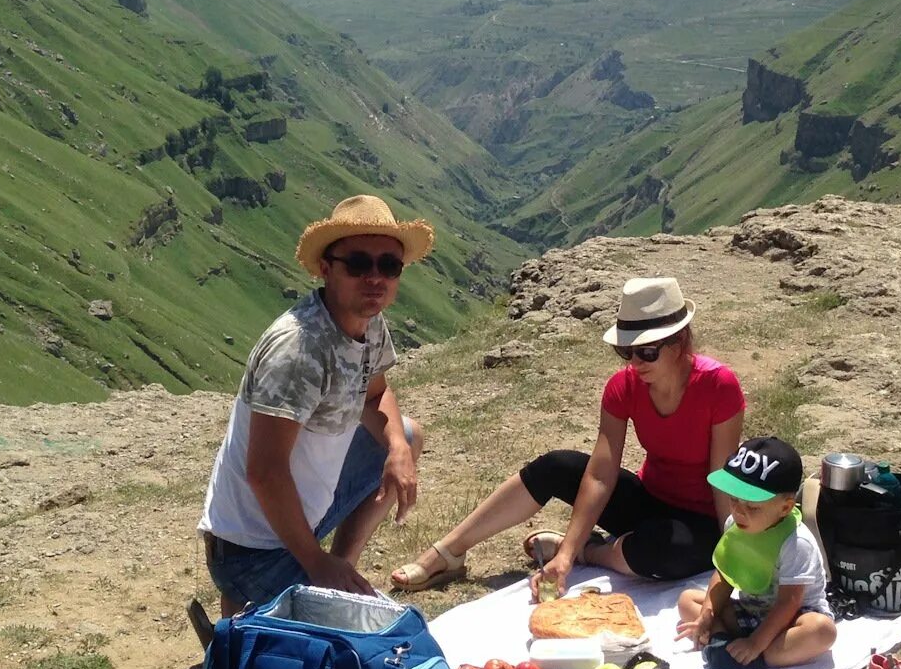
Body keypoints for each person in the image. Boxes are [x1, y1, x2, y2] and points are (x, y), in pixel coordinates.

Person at [389, 276, 743, 595]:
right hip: (649, 502)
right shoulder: (623, 387)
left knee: (664, 551)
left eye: (647, 351)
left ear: (679, 342)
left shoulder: (718, 385)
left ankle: (589, 550)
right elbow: (601, 472)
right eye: (626, 351)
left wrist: (735, 546)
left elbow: (723, 480)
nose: (635, 362)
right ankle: (448, 552)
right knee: (557, 465)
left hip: (700, 520)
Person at [198, 194, 432, 618]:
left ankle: (337, 570)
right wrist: (315, 561)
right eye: (358, 264)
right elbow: (265, 472)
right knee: (312, 650)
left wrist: (398, 447)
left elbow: (376, 393)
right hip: (251, 546)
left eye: (389, 266)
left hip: (305, 507)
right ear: (327, 268)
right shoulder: (299, 350)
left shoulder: (367, 320)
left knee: (409, 433)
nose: (374, 278)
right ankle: (269, 596)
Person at [676, 436, 837, 669]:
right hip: (751, 612)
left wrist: (756, 643)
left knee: (823, 631)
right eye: (733, 500)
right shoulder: (735, 523)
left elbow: (789, 602)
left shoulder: (796, 542)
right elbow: (724, 576)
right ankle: (720, 641)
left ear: (785, 507)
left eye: (752, 507)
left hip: (791, 620)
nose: (739, 511)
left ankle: (759, 658)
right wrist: (708, 615)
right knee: (688, 600)